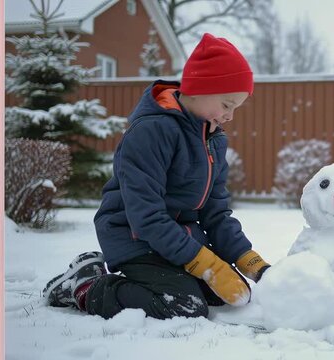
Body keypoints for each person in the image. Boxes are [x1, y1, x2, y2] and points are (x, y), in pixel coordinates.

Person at [42, 33, 271, 319]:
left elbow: (216, 213)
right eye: (227, 105)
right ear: (201, 89)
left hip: (178, 238)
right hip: (135, 236)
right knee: (183, 306)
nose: (230, 116)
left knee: (235, 295)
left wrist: (249, 261)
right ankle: (86, 285)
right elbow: (146, 216)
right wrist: (205, 263)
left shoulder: (213, 140)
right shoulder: (151, 132)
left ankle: (173, 271)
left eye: (236, 108)